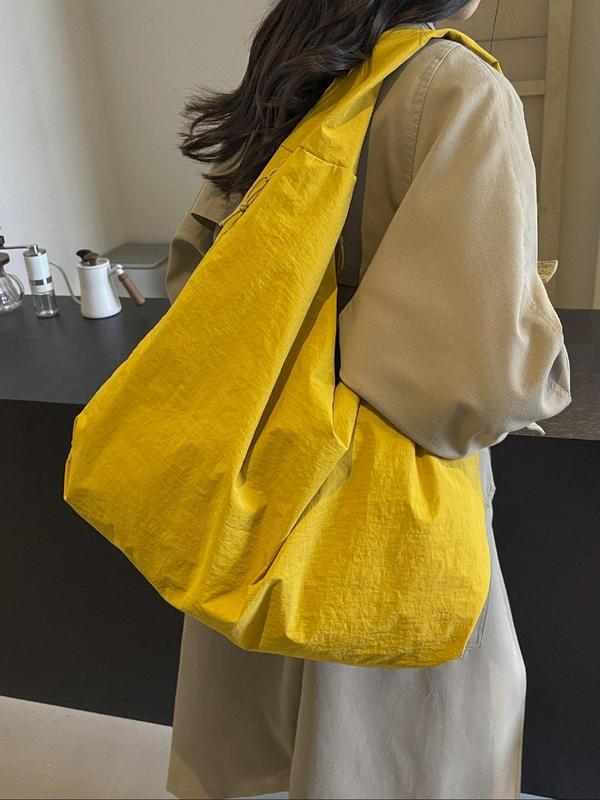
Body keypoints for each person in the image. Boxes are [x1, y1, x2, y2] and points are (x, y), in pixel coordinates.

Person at [164, 1, 572, 798]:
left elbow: (198, 288)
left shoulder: (295, 63)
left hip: (260, 477)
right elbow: (478, 383)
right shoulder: (456, 85)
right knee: (392, 751)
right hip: (388, 502)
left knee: (262, 735)